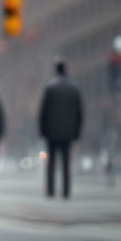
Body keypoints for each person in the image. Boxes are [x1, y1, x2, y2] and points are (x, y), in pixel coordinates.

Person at [39, 59, 83, 199]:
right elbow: (79, 113)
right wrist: (77, 131)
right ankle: (66, 191)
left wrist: (43, 130)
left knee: (51, 162)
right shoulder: (74, 88)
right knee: (66, 162)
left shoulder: (50, 87)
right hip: (68, 132)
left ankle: (50, 190)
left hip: (52, 132)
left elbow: (43, 112)